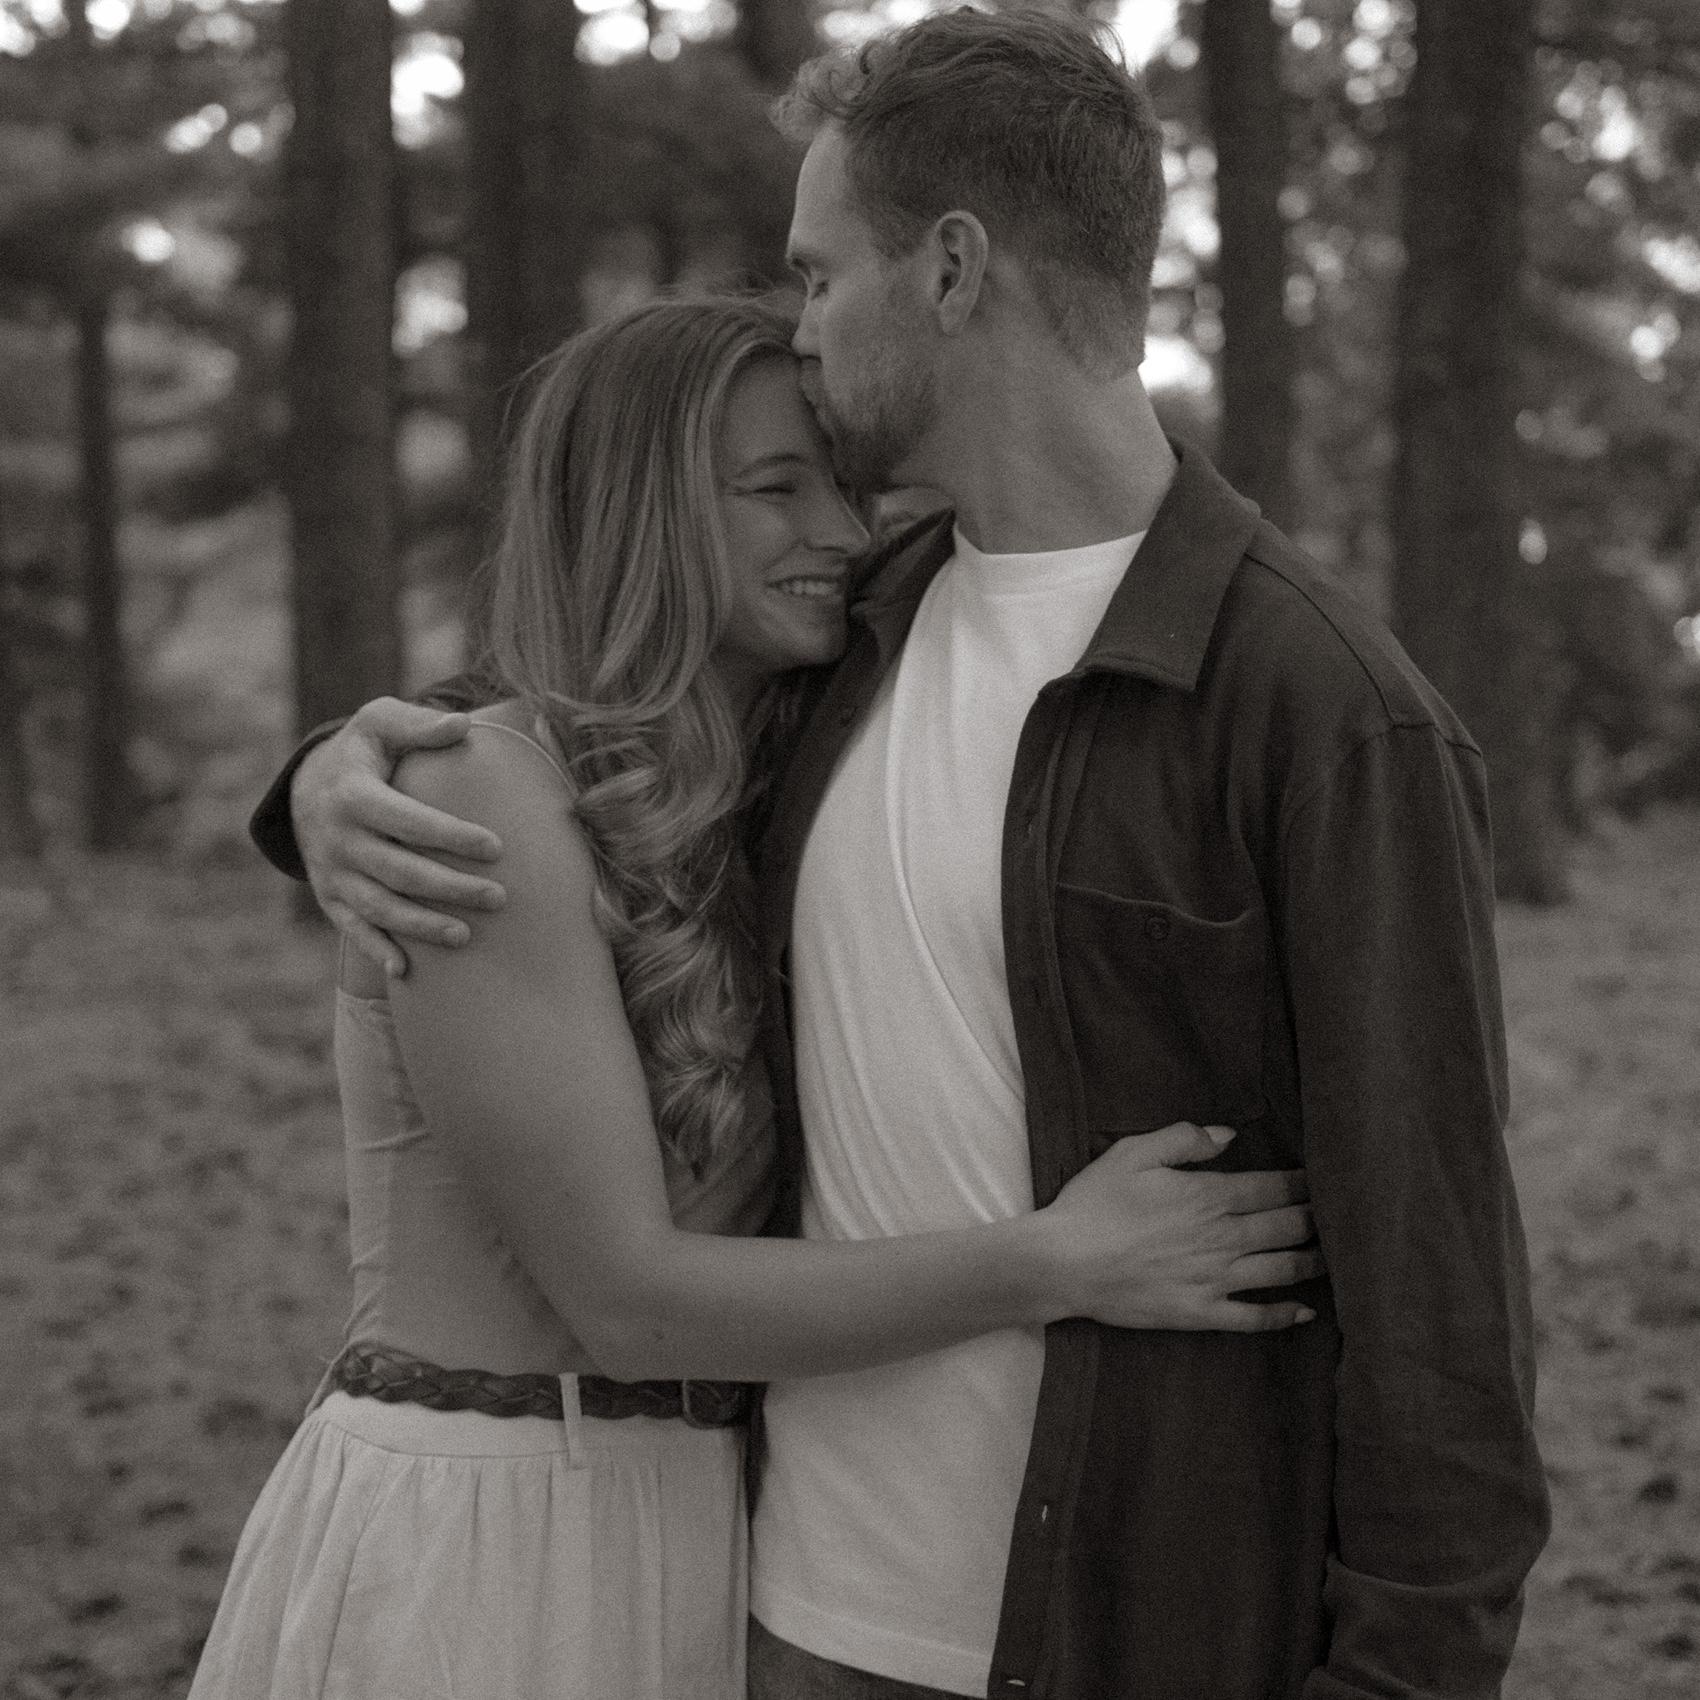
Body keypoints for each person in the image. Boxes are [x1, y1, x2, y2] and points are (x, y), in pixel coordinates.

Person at [254, 12, 1552, 1699]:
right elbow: (586, 727)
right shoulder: (844, 635)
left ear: (949, 268)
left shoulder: (1318, 713)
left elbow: (1442, 1298)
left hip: (1129, 1634)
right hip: (781, 1614)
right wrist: (326, 776)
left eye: (817, 273)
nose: (802, 324)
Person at [212, 295, 1322, 1700]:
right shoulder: (475, 796)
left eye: (844, 487)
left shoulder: (764, 780)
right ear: (637, 510)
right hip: (484, 1546)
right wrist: (1061, 1260)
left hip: (698, 1529)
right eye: (773, 488)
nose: (844, 533)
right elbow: (631, 1302)